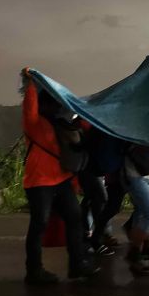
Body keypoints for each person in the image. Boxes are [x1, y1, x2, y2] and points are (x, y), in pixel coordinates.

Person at [20, 70, 98, 285]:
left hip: (61, 180)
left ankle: (77, 264)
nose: (55, 107)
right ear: (44, 105)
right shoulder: (33, 124)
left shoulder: (60, 124)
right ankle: (34, 271)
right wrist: (31, 85)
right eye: (52, 103)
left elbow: (76, 140)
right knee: (39, 224)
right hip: (39, 183)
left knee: (74, 218)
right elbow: (29, 108)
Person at [121, 146, 149, 275]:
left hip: (145, 171)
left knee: (140, 213)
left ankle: (137, 257)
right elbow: (128, 142)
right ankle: (134, 254)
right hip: (134, 174)